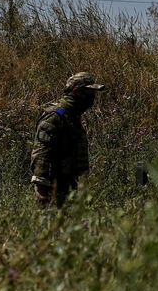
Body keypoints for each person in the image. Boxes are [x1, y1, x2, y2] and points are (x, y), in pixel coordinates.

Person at [30, 72, 105, 206]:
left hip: (70, 189)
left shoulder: (72, 117)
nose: (92, 97)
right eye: (89, 92)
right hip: (54, 190)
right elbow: (41, 153)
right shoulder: (55, 117)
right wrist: (41, 189)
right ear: (76, 91)